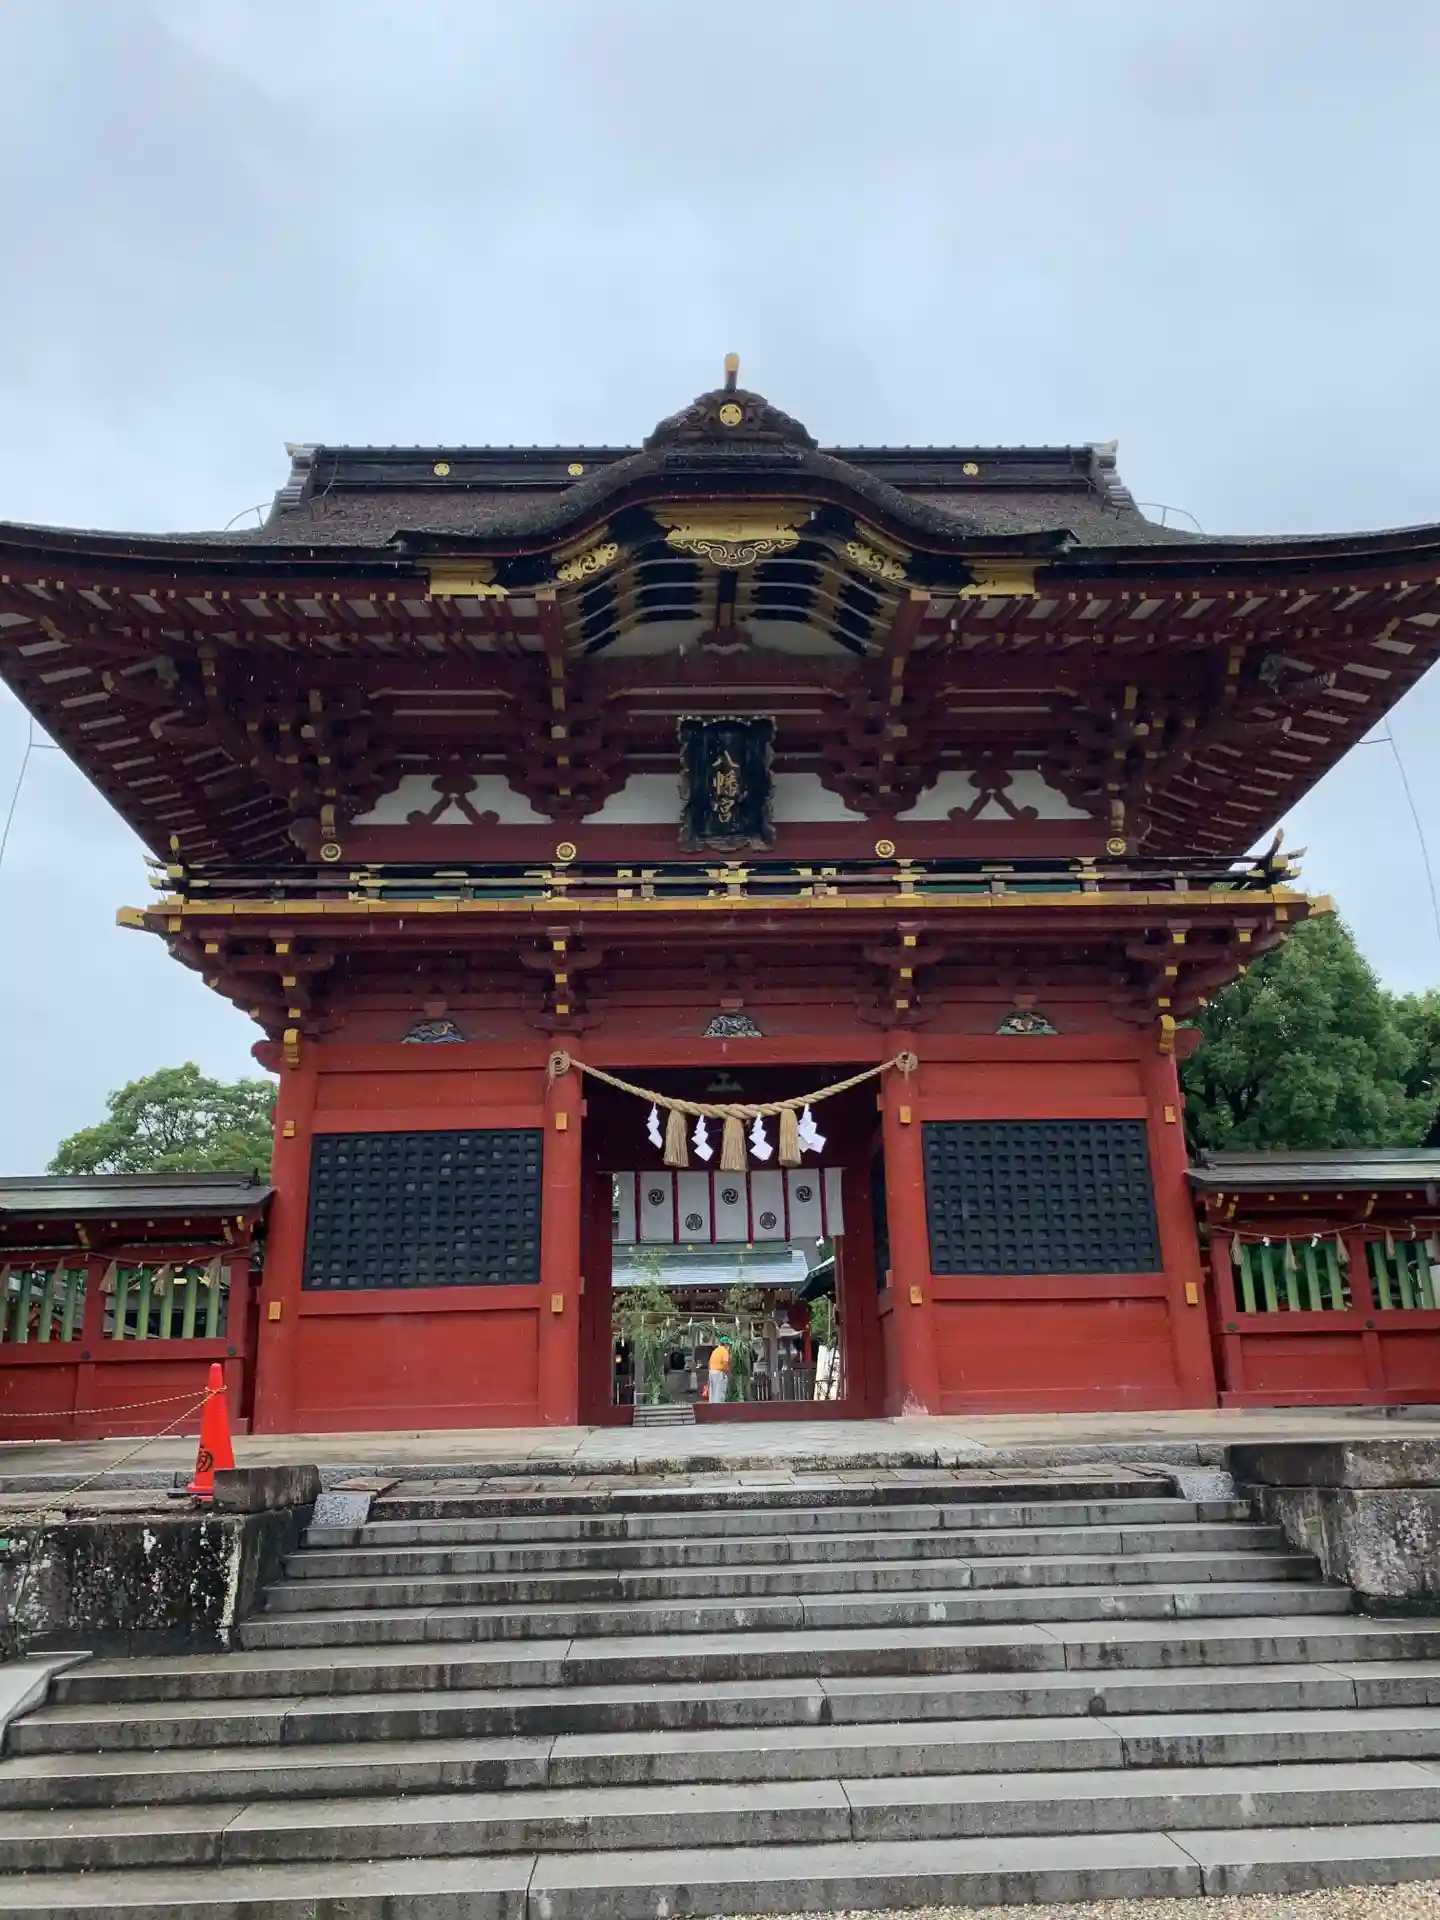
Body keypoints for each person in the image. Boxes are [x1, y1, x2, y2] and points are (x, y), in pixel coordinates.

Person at [708, 1340, 731, 1405]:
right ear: (725, 1344)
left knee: (712, 1391)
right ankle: (718, 1406)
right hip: (719, 1373)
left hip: (711, 1372)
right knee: (719, 1391)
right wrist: (728, 1373)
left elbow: (709, 1363)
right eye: (728, 1344)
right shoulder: (724, 1351)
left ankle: (712, 1406)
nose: (729, 1346)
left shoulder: (715, 1350)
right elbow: (725, 1363)